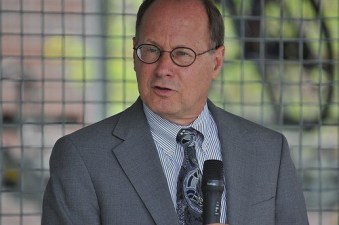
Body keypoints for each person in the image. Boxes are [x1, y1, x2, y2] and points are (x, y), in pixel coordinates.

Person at [41, 0, 309, 224]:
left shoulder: (270, 152)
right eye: (151, 50)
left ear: (216, 62)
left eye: (182, 54)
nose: (163, 68)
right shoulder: (82, 158)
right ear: (134, 54)